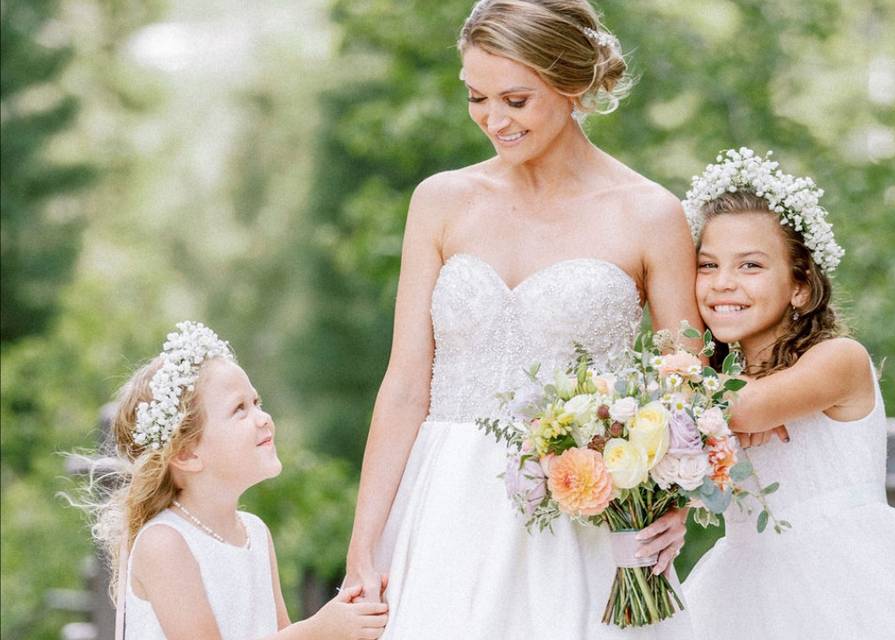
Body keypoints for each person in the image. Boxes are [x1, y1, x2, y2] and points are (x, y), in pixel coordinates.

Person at [343, 1, 700, 637]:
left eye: (515, 99)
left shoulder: (650, 215)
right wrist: (363, 545)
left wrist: (674, 500)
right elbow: (404, 383)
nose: (493, 120)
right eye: (477, 98)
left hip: (582, 516)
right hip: (445, 506)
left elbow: (685, 387)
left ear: (573, 85)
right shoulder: (441, 202)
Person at [680, 148, 895, 639]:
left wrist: (695, 395)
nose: (723, 283)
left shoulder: (839, 359)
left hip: (847, 578)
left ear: (801, 287)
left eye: (750, 266)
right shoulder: (713, 385)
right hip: (742, 583)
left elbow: (742, 408)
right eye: (707, 265)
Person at [82, 321, 388, 639]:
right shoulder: (165, 543)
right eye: (239, 409)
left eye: (257, 402)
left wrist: (344, 617)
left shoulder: (254, 532)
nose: (263, 417)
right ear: (186, 454)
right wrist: (319, 629)